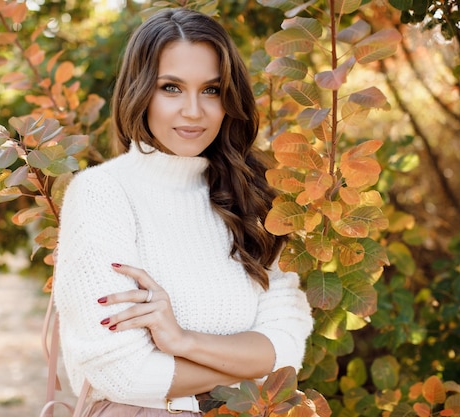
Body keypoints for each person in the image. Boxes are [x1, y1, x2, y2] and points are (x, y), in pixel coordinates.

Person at [53, 8, 313, 417]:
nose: (194, 111)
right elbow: (120, 373)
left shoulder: (256, 197)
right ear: (139, 92)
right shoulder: (102, 193)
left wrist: (180, 340)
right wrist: (244, 364)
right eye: (171, 88)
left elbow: (285, 352)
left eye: (211, 90)